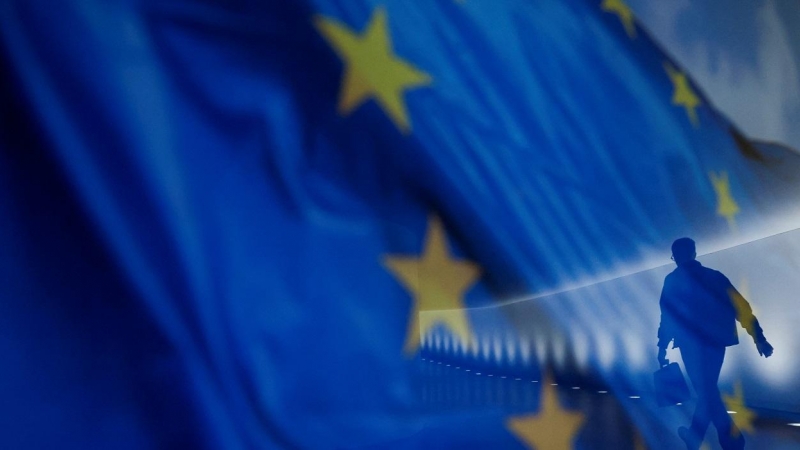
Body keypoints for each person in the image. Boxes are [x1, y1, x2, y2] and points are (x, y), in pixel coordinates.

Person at [656, 238, 773, 450]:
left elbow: (667, 317)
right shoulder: (715, 277)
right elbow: (741, 307)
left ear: (675, 257)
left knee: (706, 391)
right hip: (715, 343)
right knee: (707, 390)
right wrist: (759, 338)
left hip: (689, 346)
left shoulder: (672, 281)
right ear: (694, 252)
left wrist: (662, 347)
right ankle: (704, 436)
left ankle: (725, 439)